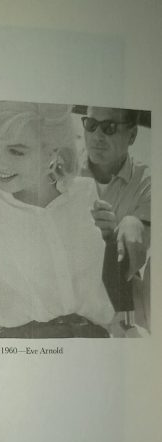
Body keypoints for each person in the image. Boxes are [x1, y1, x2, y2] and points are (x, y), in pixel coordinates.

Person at [0, 101, 114, 338]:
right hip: (22, 348)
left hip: (94, 341)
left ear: (53, 152)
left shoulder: (87, 194)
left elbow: (111, 284)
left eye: (16, 151)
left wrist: (113, 237)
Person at [80, 106, 151, 330]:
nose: (96, 136)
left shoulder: (148, 182)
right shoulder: (61, 168)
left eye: (109, 127)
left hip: (117, 297)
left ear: (132, 135)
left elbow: (141, 247)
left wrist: (130, 226)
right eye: (91, 125)